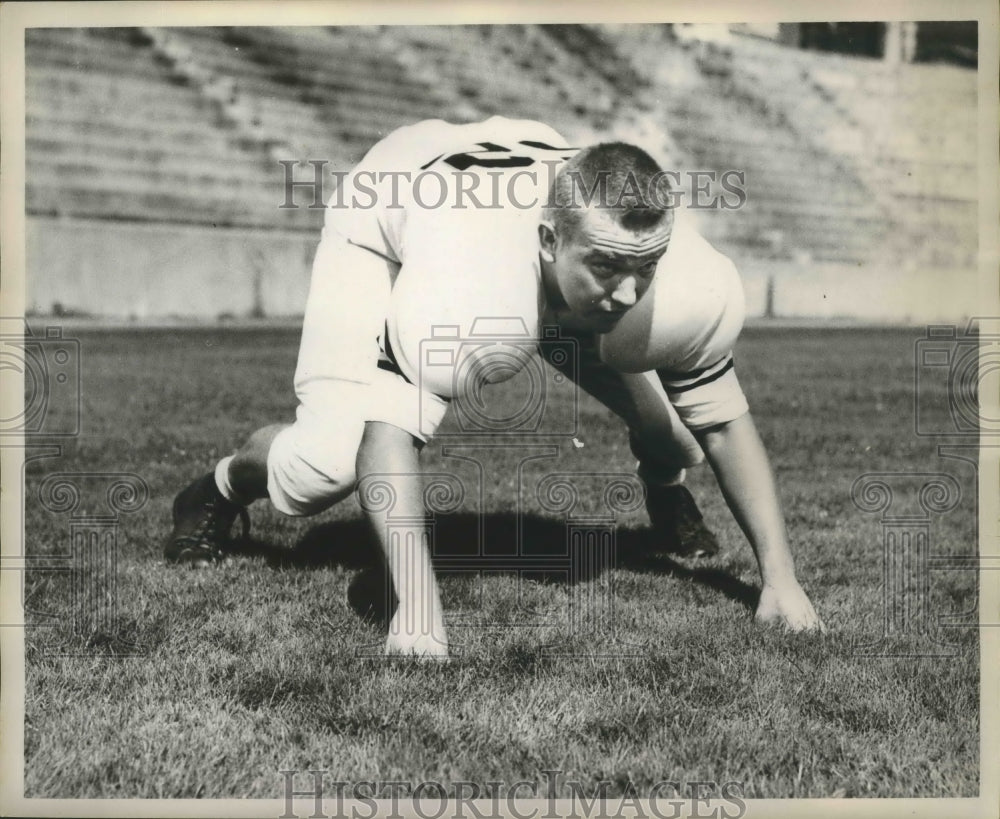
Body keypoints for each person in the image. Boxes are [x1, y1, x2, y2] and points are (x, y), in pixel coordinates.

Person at [163, 116, 824, 657]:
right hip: (388, 208)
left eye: (644, 267)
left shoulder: (659, 264)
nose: (627, 291)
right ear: (546, 240)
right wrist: (417, 614)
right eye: (607, 266)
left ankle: (668, 497)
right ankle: (218, 486)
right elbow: (389, 435)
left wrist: (781, 582)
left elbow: (724, 422)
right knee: (325, 464)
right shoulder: (472, 282)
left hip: (517, 183)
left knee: (679, 435)